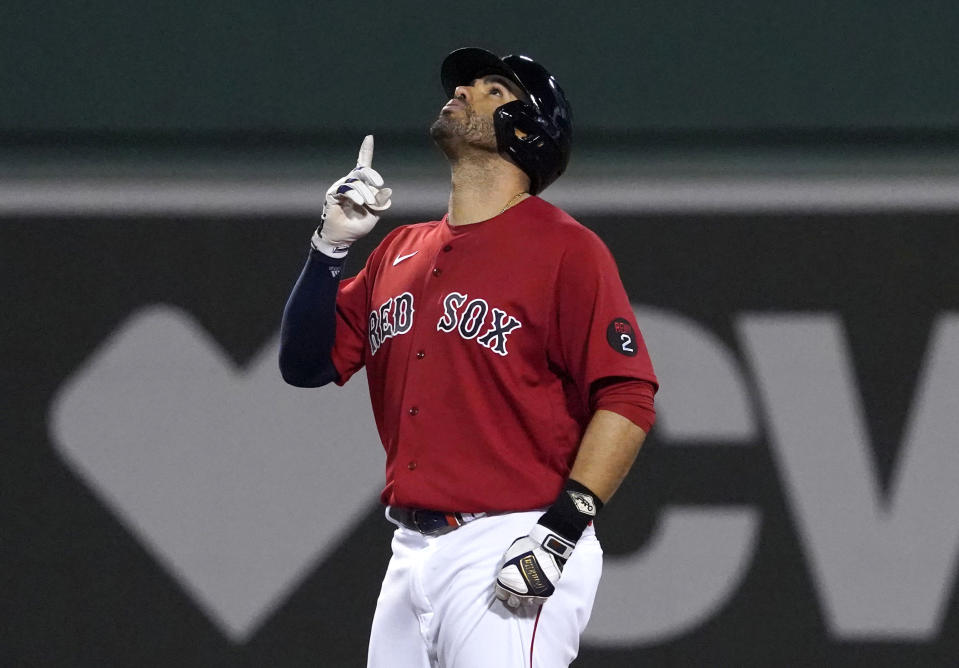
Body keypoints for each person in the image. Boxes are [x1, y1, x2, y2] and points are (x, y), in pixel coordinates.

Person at [280, 47, 657, 668]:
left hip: (511, 536)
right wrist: (328, 249)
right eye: (466, 83)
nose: (466, 91)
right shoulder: (401, 249)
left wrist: (560, 531)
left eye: (495, 90)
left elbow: (627, 396)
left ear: (529, 131)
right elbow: (305, 364)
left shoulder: (566, 250)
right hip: (411, 550)